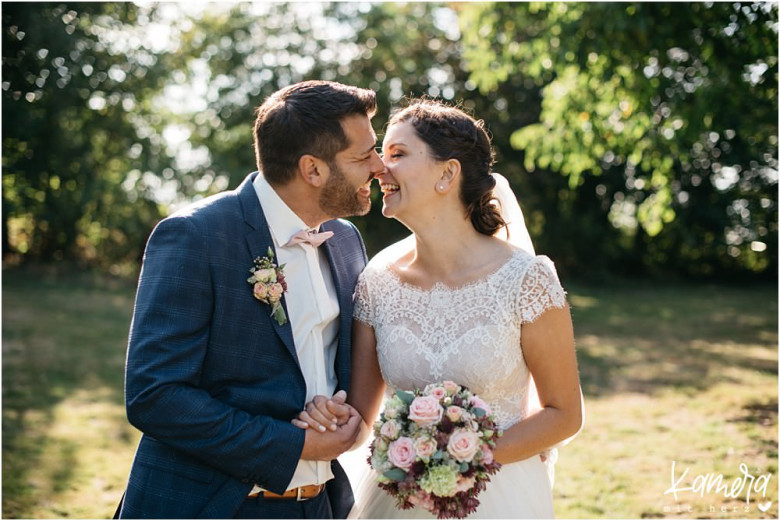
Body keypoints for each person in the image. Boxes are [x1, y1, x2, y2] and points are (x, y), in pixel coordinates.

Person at [294, 99, 584, 518]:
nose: (378, 169)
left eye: (397, 154)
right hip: (398, 501)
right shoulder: (377, 281)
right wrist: (331, 415)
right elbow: (360, 418)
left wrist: (461, 458)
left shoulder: (526, 280)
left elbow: (563, 414)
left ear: (448, 173)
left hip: (497, 498)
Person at [115, 80, 386, 519]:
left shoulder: (345, 240)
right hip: (215, 506)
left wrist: (346, 415)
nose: (379, 166)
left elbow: (336, 365)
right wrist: (294, 445)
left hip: (319, 505)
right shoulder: (196, 236)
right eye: (364, 156)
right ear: (312, 170)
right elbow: (155, 394)